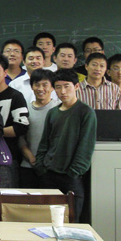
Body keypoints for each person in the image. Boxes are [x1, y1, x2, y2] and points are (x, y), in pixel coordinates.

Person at [35, 69, 97, 222]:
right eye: (58, 87)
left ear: (76, 86)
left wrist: (74, 172)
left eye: (66, 86)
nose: (62, 91)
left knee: (71, 222)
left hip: (71, 177)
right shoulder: (53, 112)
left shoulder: (85, 112)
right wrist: (41, 167)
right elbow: (44, 143)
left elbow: (86, 146)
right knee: (46, 220)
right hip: (48, 175)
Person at [18, 69, 60, 188]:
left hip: (51, 167)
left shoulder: (59, 108)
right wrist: (29, 156)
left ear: (52, 87)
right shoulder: (25, 109)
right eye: (37, 84)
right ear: (31, 87)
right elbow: (20, 137)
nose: (40, 89)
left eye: (45, 85)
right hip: (28, 165)